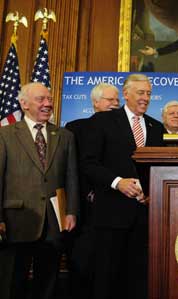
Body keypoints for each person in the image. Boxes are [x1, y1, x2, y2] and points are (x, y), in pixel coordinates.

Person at [81, 74, 164, 299]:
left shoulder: (157, 127)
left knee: (139, 278)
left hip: (146, 216)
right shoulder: (103, 121)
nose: (146, 98)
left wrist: (153, 192)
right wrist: (118, 182)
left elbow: (161, 168)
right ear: (126, 94)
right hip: (111, 213)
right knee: (107, 278)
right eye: (141, 92)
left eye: (149, 93)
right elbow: (88, 163)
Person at [0, 82, 79, 299]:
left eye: (50, 99)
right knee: (11, 282)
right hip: (16, 220)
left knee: (48, 283)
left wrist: (71, 211)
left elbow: (71, 177)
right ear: (24, 104)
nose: (47, 104)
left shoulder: (64, 136)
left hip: (54, 222)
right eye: (41, 99)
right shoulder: (5, 135)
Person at [65, 83, 120, 299]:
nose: (115, 104)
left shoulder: (127, 130)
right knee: (82, 267)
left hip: (116, 210)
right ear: (95, 102)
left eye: (117, 100)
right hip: (84, 211)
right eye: (110, 100)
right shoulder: (75, 128)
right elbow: (70, 168)